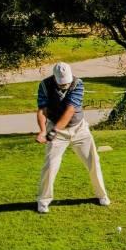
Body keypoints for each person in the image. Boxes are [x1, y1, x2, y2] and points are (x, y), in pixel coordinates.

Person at [35, 62, 110, 214]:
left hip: (79, 129)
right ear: (55, 78)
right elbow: (42, 110)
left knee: (93, 162)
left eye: (67, 82)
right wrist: (43, 131)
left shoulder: (78, 84)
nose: (65, 85)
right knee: (50, 165)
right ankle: (43, 200)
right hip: (56, 128)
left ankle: (102, 195)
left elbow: (70, 111)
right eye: (62, 83)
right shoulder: (44, 85)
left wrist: (52, 132)